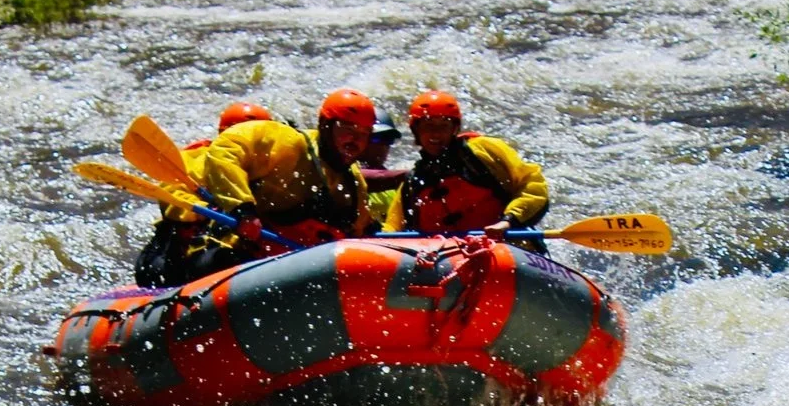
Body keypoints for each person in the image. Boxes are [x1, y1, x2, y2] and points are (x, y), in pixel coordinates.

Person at [186, 88, 377, 277]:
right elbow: (224, 151)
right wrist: (242, 209)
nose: (356, 140)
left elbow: (361, 232)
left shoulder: (353, 180)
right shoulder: (288, 144)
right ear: (325, 125)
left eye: (365, 132)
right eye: (348, 129)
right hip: (242, 257)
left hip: (303, 269)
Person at [133, 101, 275, 287]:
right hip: (173, 259)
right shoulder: (195, 161)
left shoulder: (276, 168)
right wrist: (204, 209)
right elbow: (173, 196)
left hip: (237, 252)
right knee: (226, 259)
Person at [382, 90, 549, 239]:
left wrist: (509, 220)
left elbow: (533, 186)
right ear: (416, 131)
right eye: (428, 126)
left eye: (444, 126)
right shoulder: (413, 183)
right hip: (443, 260)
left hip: (505, 246)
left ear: (454, 129)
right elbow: (392, 227)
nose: (435, 133)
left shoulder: (484, 151)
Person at [359, 110, 407, 227]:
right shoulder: (343, 173)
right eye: (375, 138)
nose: (382, 146)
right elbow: (360, 178)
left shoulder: (395, 189)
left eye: (387, 139)